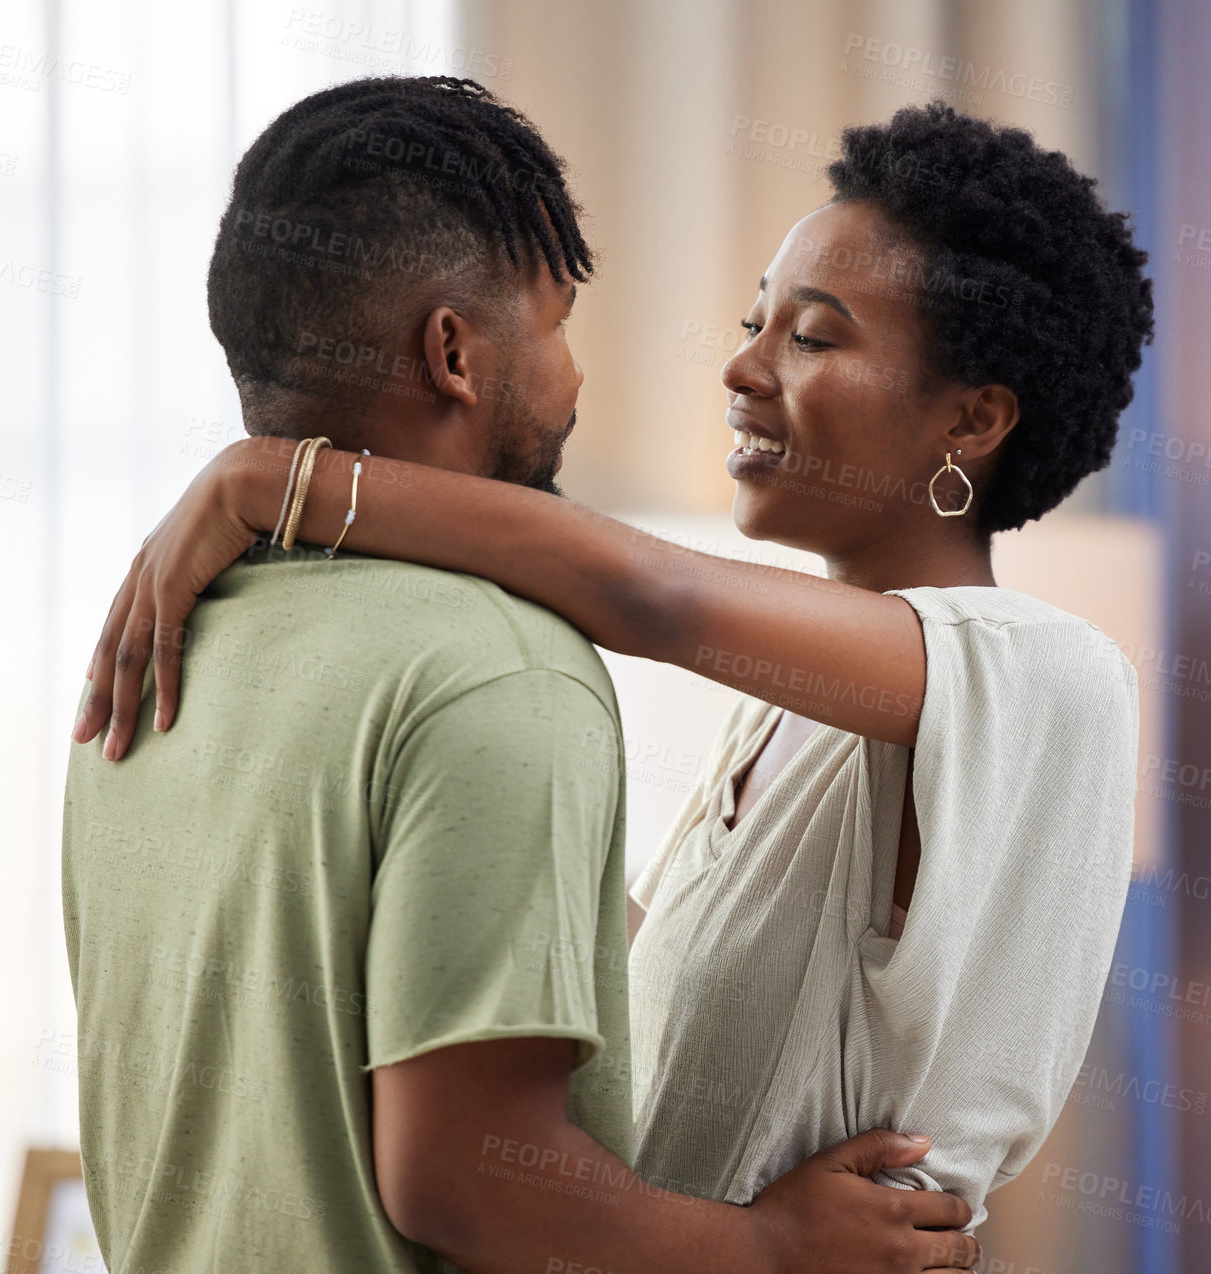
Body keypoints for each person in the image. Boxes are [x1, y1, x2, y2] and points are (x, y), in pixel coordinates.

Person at [78, 101, 1153, 1235]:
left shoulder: (1053, 678)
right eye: (755, 321)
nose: (741, 367)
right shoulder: (772, 724)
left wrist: (269, 480)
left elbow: (650, 596)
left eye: (815, 337)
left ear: (973, 419)